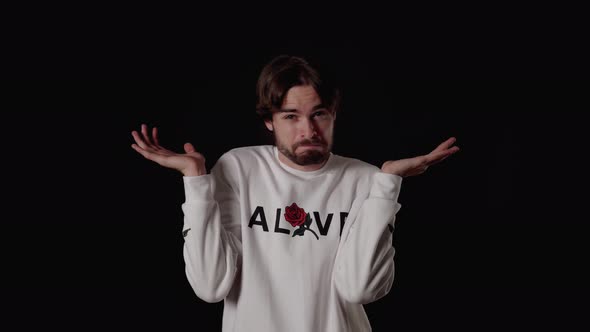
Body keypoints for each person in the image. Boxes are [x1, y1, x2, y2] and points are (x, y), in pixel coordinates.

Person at [130, 55, 460, 332]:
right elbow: (210, 286)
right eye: (291, 116)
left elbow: (361, 288)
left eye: (319, 114)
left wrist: (387, 183)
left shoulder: (366, 179)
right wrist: (196, 180)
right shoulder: (239, 168)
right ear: (269, 121)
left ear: (333, 114)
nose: (309, 130)